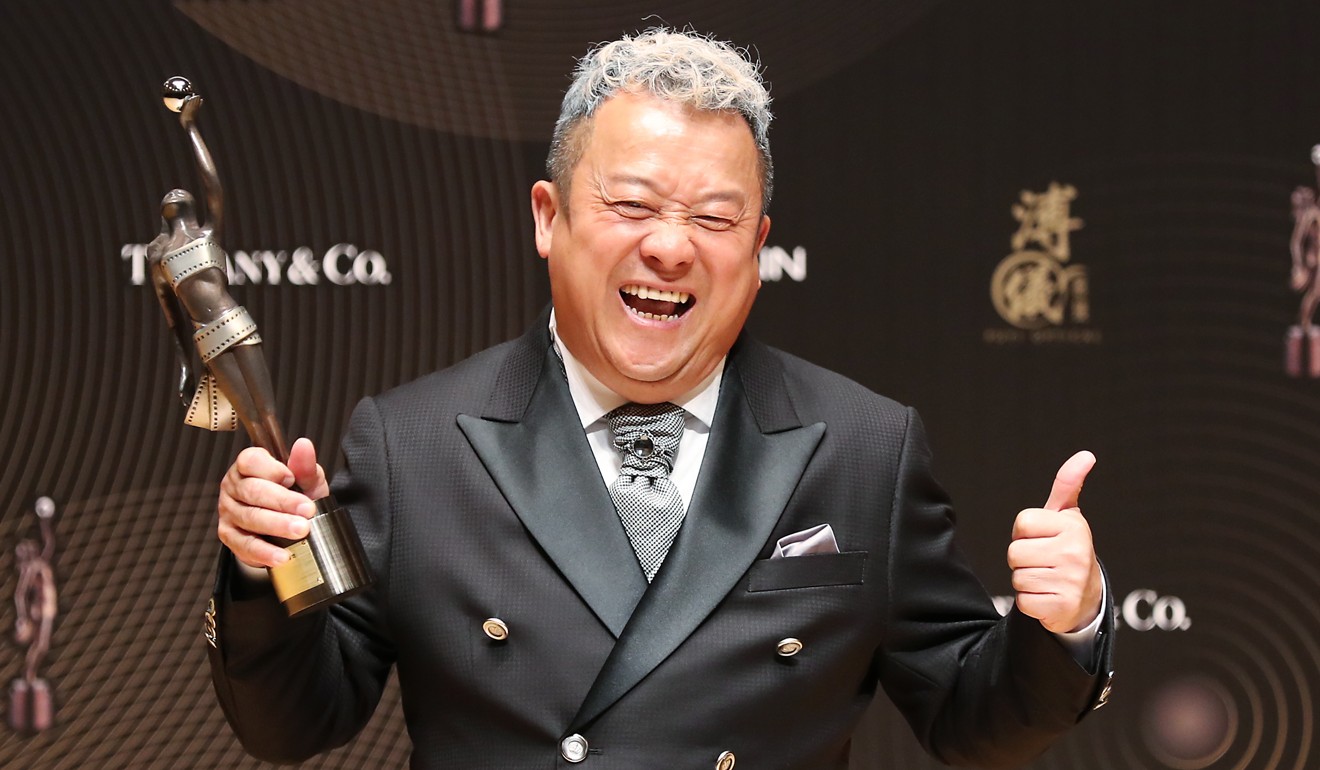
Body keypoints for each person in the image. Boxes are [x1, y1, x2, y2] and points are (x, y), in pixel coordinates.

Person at [209, 27, 1113, 769]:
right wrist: (265, 569)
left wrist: (1065, 624)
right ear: (547, 217)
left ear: (757, 246)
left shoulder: (866, 447)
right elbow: (295, 724)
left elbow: (974, 718)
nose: (672, 249)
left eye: (715, 220)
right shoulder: (414, 445)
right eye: (632, 204)